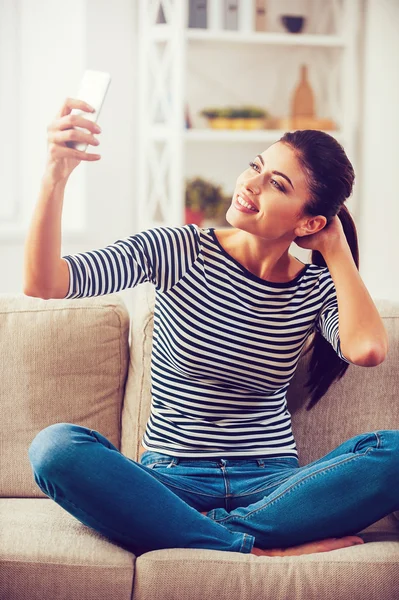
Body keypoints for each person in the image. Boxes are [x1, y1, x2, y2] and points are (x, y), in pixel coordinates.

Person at [26, 98, 397, 558]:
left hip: (274, 486)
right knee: (55, 448)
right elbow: (46, 282)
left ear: (311, 221)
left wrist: (336, 249)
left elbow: (367, 349)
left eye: (276, 184)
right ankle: (249, 545)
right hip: (169, 479)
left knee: (394, 452)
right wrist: (55, 175)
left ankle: (197, 534)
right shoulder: (179, 248)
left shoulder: (315, 287)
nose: (249, 185)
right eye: (255, 167)